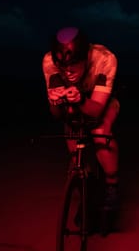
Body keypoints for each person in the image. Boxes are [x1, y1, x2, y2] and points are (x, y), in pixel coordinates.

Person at [42, 26, 120, 211]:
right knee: (72, 129)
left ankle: (112, 185)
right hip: (73, 99)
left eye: (74, 63)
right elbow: (57, 116)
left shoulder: (105, 58)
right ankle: (86, 184)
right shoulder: (49, 62)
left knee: (101, 132)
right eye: (63, 66)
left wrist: (81, 99)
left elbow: (96, 111)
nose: (68, 71)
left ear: (86, 57)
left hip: (101, 100)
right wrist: (55, 103)